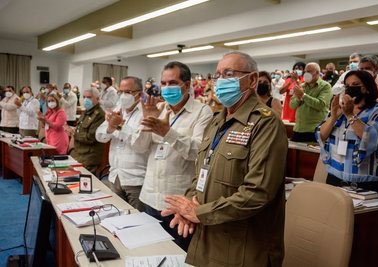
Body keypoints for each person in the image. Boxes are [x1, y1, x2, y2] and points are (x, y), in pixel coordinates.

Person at [161, 52, 288, 267]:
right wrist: (187, 206)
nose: (221, 80)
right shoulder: (217, 121)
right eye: (218, 74)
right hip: (206, 236)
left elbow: (257, 193)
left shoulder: (266, 124)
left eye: (229, 74)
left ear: (253, 80)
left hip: (242, 247)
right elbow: (201, 169)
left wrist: (198, 213)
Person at [130, 61, 212, 250]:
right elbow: (140, 148)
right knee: (151, 251)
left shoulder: (202, 112)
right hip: (151, 197)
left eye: (172, 83)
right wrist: (146, 123)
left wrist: (167, 132)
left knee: (176, 254)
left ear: (188, 85)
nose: (167, 88)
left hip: (179, 203)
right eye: (163, 83)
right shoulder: (159, 109)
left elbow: (199, 152)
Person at [316, 70, 378, 192]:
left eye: (355, 85)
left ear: (367, 88)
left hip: (364, 182)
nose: (350, 88)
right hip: (335, 177)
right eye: (347, 86)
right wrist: (334, 116)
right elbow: (321, 135)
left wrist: (350, 115)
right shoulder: (340, 110)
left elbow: (372, 140)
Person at [96, 77, 148, 211]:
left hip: (135, 179)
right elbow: (100, 136)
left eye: (128, 92)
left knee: (137, 223)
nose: (123, 96)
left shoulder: (146, 114)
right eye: (121, 92)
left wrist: (120, 126)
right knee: (117, 219)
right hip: (115, 175)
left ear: (140, 94)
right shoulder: (118, 109)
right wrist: (110, 127)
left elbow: (141, 144)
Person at [289, 63, 332, 142]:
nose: (306, 74)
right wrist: (298, 99)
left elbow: (320, 104)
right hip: (298, 128)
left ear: (317, 73)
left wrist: (303, 95)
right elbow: (292, 105)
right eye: (305, 71)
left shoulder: (325, 86)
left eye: (309, 71)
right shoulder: (302, 86)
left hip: (314, 130)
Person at [71, 88, 105, 174]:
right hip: (79, 153)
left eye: (89, 97)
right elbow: (80, 129)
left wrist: (74, 133)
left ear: (97, 99)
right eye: (84, 97)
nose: (86, 100)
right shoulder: (86, 112)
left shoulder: (99, 114)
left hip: (89, 157)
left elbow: (91, 137)